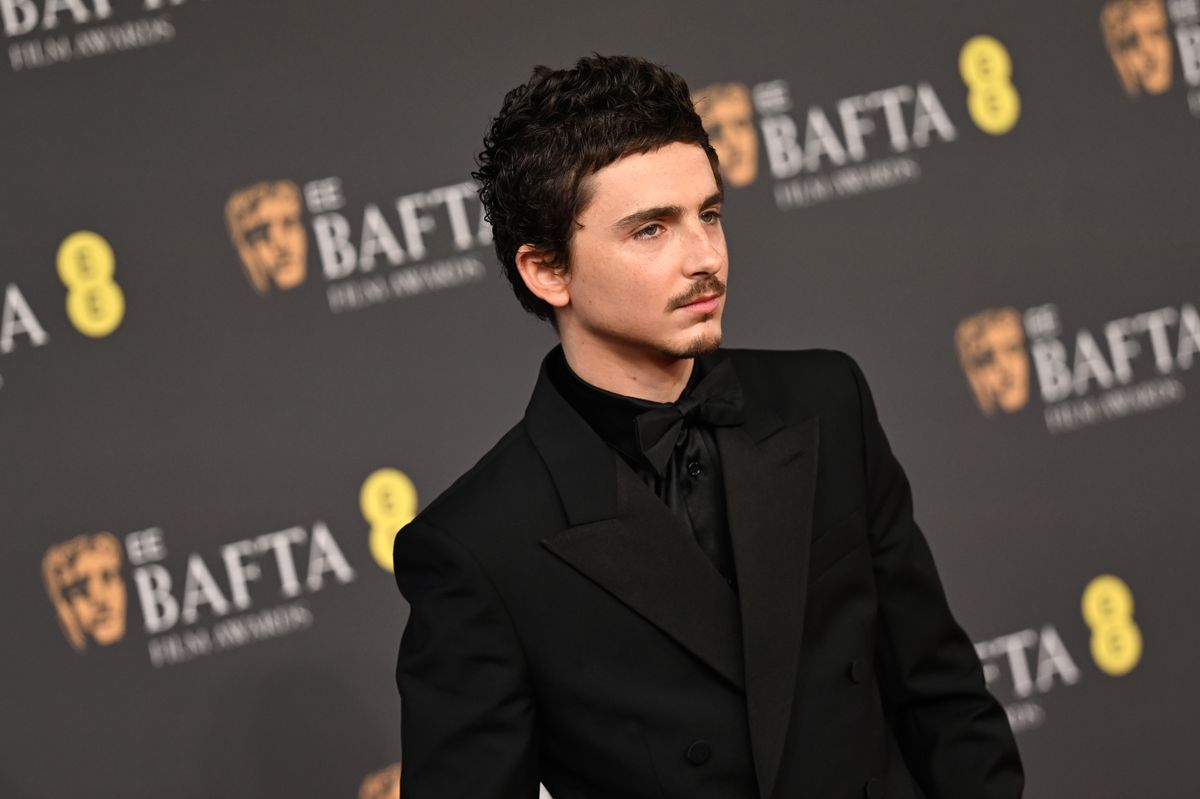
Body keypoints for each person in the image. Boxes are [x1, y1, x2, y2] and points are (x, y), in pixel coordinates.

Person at [392, 54, 1023, 799]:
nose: (706, 258)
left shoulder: (827, 401)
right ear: (547, 270)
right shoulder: (477, 545)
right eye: (651, 229)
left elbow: (943, 697)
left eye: (710, 214)